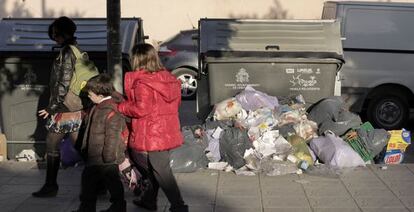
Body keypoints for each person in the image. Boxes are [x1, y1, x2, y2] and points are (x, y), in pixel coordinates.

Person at [118, 43, 189, 212]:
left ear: (137, 59)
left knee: (162, 171)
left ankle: (179, 206)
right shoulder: (168, 78)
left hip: (153, 132)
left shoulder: (143, 83)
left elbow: (141, 109)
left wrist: (122, 107)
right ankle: (149, 200)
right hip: (165, 129)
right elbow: (174, 104)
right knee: (154, 168)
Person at [33, 16, 83, 198]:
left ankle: (51, 186)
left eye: (56, 33)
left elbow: (64, 82)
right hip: (73, 105)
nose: (54, 36)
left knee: (52, 144)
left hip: (65, 107)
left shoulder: (68, 52)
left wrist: (52, 107)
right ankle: (100, 183)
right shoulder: (75, 49)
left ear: (64, 32)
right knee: (81, 147)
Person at [73, 74, 127, 212]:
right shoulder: (97, 106)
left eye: (91, 93)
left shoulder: (110, 111)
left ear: (101, 94)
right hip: (95, 155)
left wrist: (108, 158)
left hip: (105, 157)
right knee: (91, 184)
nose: (88, 95)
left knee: (110, 183)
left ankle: (118, 206)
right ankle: (93, 208)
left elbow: (112, 137)